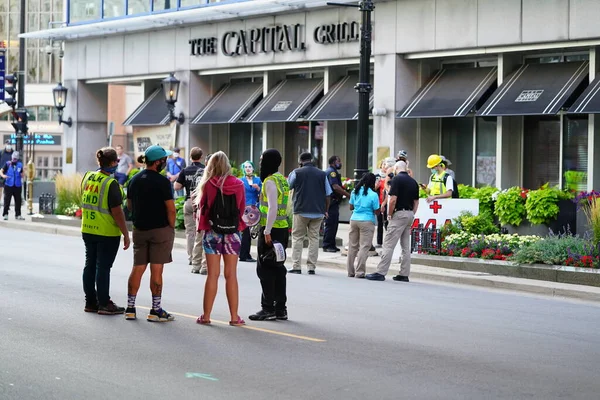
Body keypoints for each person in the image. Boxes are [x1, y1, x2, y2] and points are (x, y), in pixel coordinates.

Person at [194, 151, 246, 326]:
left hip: (212, 232)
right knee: (231, 275)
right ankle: (234, 317)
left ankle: (206, 316)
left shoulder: (208, 184)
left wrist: (201, 229)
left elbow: (203, 209)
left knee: (212, 275)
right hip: (233, 234)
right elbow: (241, 209)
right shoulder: (238, 184)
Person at [125, 145, 176, 322]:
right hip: (160, 230)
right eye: (164, 159)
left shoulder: (134, 180)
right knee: (157, 270)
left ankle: (130, 308)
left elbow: (129, 205)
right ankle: (155, 310)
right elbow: (171, 209)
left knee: (137, 268)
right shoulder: (163, 182)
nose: (166, 162)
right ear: (158, 162)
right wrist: (171, 227)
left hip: (139, 230)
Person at [81, 147, 130, 314]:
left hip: (88, 229)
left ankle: (90, 302)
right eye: (116, 161)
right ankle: (104, 303)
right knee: (103, 268)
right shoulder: (111, 183)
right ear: (112, 163)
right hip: (106, 233)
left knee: (90, 265)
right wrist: (126, 233)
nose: (117, 164)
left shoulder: (87, 177)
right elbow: (117, 212)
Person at [249, 149, 290, 321]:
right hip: (282, 229)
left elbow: (272, 207)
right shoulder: (282, 180)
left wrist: (266, 231)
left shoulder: (269, 181)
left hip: (271, 230)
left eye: (261, 159)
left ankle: (268, 308)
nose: (259, 162)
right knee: (278, 268)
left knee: (265, 268)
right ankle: (280, 308)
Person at [366, 161, 419, 282]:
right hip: (410, 214)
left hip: (399, 213)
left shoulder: (396, 180)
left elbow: (393, 199)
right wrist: (412, 213)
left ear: (396, 168)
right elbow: (416, 201)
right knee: (406, 247)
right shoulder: (413, 182)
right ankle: (404, 274)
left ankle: (381, 272)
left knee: (389, 244)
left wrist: (390, 214)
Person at [287, 152, 331, 274]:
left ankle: (296, 266)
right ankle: (311, 267)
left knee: (297, 237)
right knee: (314, 238)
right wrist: (326, 210)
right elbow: (328, 194)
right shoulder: (322, 174)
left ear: (300, 161)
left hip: (301, 209)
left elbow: (288, 186)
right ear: (311, 160)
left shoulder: (297, 172)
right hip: (318, 211)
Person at [174, 147, 207, 270]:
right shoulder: (205, 170)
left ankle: (191, 257)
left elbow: (177, 187)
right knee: (202, 231)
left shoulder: (185, 170)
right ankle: (200, 258)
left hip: (189, 201)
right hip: (202, 203)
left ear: (190, 157)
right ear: (201, 156)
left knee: (190, 232)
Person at [347, 173, 380, 279]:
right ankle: (360, 272)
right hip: (367, 221)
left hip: (354, 219)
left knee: (352, 246)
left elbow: (351, 207)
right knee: (364, 247)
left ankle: (350, 272)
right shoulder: (373, 195)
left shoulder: (355, 191)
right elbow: (376, 211)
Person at [323, 155, 350, 252]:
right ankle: (327, 245)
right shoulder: (332, 172)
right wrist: (348, 195)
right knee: (331, 223)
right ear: (334, 162)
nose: (341, 163)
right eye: (339, 161)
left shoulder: (331, 171)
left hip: (333, 201)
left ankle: (331, 244)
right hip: (331, 201)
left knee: (334, 223)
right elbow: (335, 186)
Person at [239, 160, 262, 263]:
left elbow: (263, 194)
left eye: (249, 167)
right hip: (244, 208)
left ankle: (245, 254)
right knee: (245, 232)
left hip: (255, 208)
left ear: (253, 168)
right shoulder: (241, 181)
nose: (248, 168)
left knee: (250, 232)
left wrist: (258, 189)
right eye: (246, 167)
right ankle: (244, 254)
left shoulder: (258, 180)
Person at [1, 151, 24, 221]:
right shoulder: (7, 164)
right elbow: (1, 171)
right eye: (13, 158)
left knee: (18, 201)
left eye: (16, 159)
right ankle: (5, 214)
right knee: (7, 201)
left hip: (17, 185)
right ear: (12, 158)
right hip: (8, 185)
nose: (14, 160)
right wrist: (3, 175)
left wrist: (23, 174)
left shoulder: (20, 165)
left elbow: (22, 173)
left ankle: (18, 215)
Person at [0, 140, 14, 206]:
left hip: (10, 174)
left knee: (7, 191)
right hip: (1, 173)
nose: (9, 145)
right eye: (8, 144)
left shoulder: (14, 153)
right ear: (5, 144)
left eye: (10, 144)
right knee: (0, 189)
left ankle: (6, 205)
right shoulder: (1, 152)